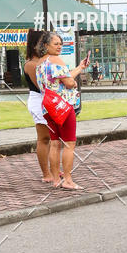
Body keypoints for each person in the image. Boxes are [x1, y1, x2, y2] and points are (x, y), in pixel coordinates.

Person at [36, 32, 90, 189]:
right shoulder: (57, 60)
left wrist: (80, 67)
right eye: (56, 44)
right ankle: (68, 180)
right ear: (46, 45)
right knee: (68, 144)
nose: (59, 46)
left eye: (61, 43)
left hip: (48, 107)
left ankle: (55, 179)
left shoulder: (40, 63)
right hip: (63, 107)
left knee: (54, 143)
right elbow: (68, 82)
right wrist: (72, 83)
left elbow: (61, 78)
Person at [23, 29, 52, 183]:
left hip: (48, 99)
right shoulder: (32, 64)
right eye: (43, 43)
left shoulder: (43, 61)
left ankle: (54, 169)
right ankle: (46, 173)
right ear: (35, 45)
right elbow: (42, 86)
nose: (46, 46)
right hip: (39, 100)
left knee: (54, 137)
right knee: (44, 138)